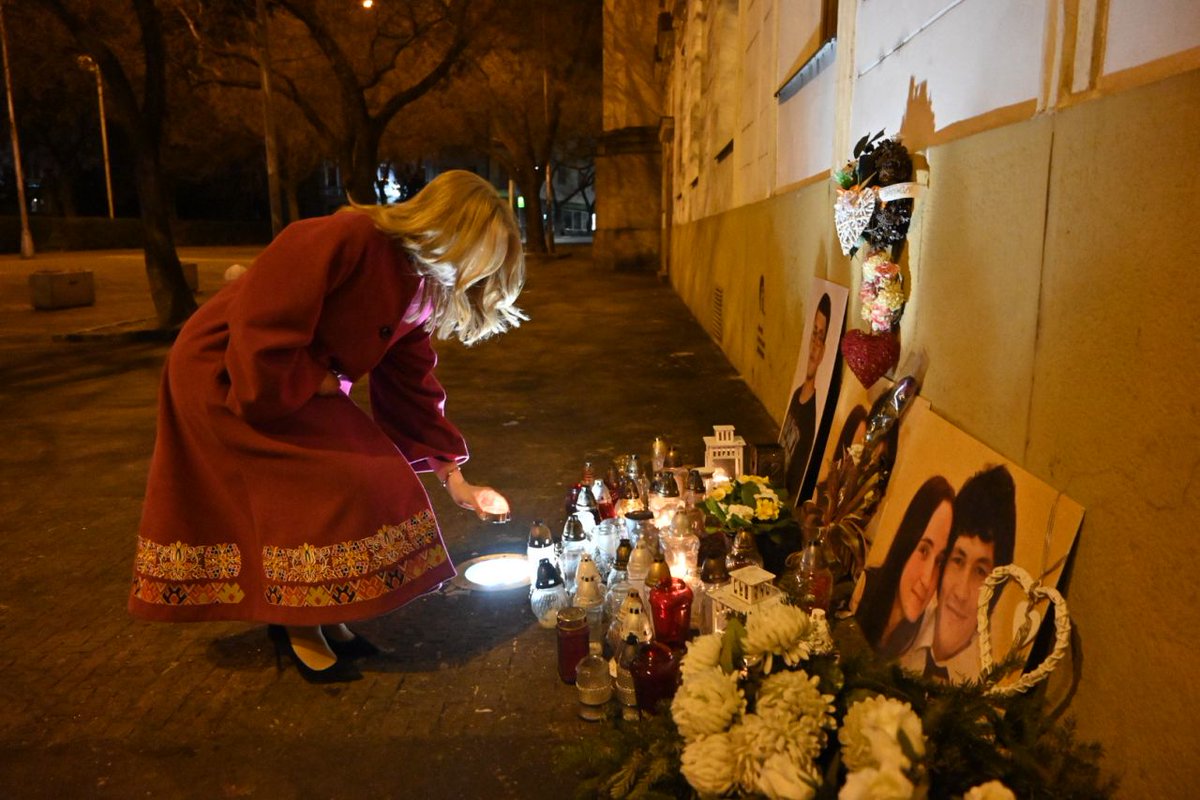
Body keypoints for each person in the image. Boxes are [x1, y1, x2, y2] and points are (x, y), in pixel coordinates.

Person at [128, 170, 526, 683]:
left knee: (352, 481)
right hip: (228, 371)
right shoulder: (349, 237)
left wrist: (457, 481)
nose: (470, 274)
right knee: (327, 484)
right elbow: (263, 322)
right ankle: (297, 619)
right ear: (446, 226)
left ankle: (315, 612)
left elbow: (410, 383)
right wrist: (314, 380)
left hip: (293, 379)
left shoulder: (420, 285)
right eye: (475, 256)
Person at [900, 464, 1017, 683]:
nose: (961, 593)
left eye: (981, 572)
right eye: (958, 560)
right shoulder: (897, 636)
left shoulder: (986, 692)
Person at [854, 476, 954, 658]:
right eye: (924, 550)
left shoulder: (922, 637)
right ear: (907, 543)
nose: (927, 578)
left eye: (939, 561)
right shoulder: (864, 588)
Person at [780, 292, 831, 503]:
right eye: (814, 334)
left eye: (821, 337)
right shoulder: (795, 396)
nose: (814, 345)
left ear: (825, 350)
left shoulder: (813, 416)